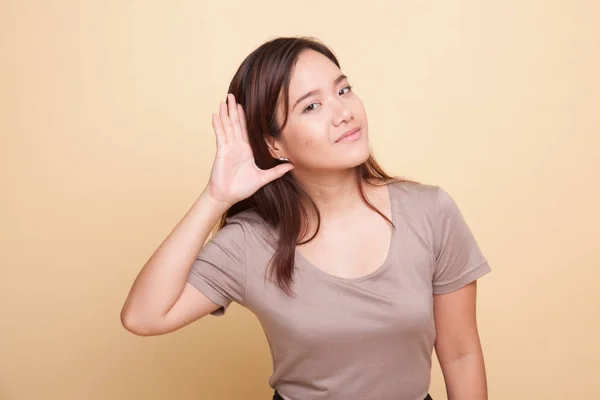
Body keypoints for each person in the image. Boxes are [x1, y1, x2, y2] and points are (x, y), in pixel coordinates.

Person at [120, 36, 491, 400]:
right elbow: (143, 317)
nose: (343, 113)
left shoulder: (429, 212)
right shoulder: (250, 242)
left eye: (343, 90)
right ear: (273, 145)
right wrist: (215, 197)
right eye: (311, 107)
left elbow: (461, 354)